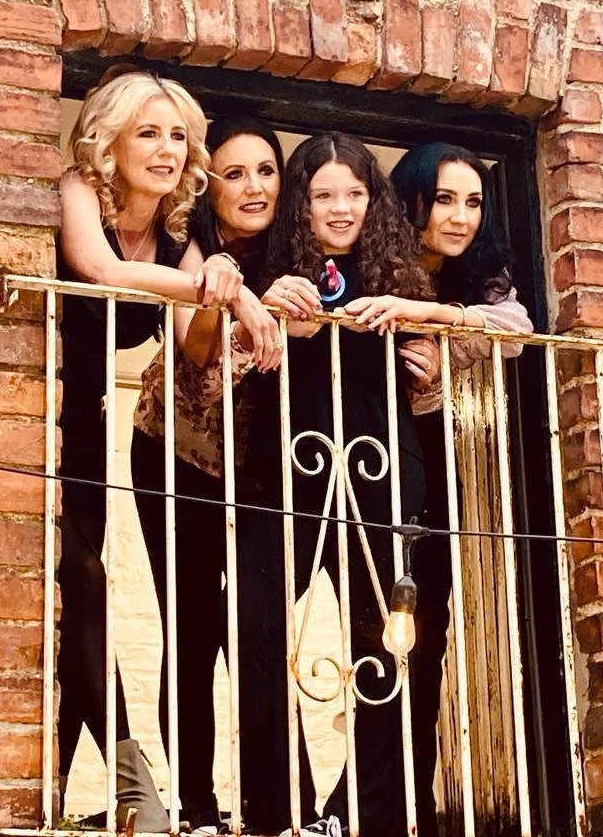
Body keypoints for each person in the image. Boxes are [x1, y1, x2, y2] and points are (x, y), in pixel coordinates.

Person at [57, 68, 261, 831]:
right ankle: (128, 765)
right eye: (148, 131)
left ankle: (107, 782)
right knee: (77, 578)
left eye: (179, 135)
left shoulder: (182, 233)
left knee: (78, 588)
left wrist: (221, 292)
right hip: (30, 402)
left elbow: (192, 345)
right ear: (109, 139)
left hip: (84, 416)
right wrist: (230, 291)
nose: (168, 148)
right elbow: (102, 273)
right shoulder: (78, 190)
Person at [237, 132, 433, 837]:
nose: (341, 208)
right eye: (323, 195)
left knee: (385, 644)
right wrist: (261, 306)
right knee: (253, 623)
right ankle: (276, 811)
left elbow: (435, 367)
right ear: (301, 203)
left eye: (354, 192)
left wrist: (423, 334)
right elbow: (223, 355)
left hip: (383, 469)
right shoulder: (268, 265)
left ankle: (367, 816)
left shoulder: (398, 272)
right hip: (284, 467)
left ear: (372, 199)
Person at [130, 115, 312, 834]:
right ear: (210, 186)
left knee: (261, 629)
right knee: (192, 622)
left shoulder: (297, 251)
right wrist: (228, 296)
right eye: (234, 174)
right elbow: (194, 356)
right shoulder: (190, 246)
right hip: (175, 451)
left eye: (265, 171)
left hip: (265, 465)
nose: (254, 187)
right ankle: (197, 807)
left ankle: (284, 807)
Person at [346, 142, 533, 832]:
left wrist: (434, 317)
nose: (460, 217)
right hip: (358, 453)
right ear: (413, 198)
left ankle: (407, 805)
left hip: (432, 452)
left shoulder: (476, 273)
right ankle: (354, 804)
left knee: (422, 638)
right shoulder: (369, 255)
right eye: (445, 199)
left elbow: (516, 333)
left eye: (474, 202)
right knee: (369, 637)